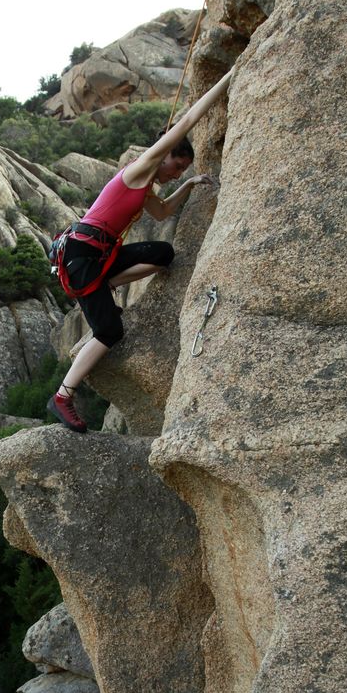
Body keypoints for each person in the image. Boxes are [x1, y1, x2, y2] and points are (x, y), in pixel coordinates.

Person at [47, 69, 233, 433]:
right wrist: (229, 77)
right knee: (109, 330)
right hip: (82, 257)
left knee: (163, 254)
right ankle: (63, 395)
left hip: (100, 258)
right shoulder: (142, 167)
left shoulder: (146, 185)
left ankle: (108, 281)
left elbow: (162, 211)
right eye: (178, 166)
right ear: (164, 155)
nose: (177, 173)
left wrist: (191, 185)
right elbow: (191, 118)